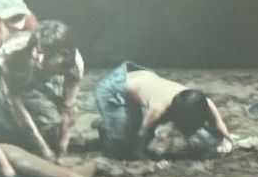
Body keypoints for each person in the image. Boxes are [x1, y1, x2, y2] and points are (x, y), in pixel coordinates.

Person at [0, 21, 83, 160]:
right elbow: (17, 106)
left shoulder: (74, 65)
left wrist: (62, 148)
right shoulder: (13, 54)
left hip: (34, 77)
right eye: (38, 51)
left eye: (46, 56)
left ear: (64, 55)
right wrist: (43, 149)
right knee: (1, 128)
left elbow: (68, 108)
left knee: (53, 125)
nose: (40, 59)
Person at [93, 63, 236, 161]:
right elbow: (141, 139)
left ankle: (120, 119)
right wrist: (147, 159)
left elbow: (217, 123)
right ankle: (106, 125)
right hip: (114, 88)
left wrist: (227, 140)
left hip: (141, 79)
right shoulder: (158, 109)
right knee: (123, 148)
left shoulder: (205, 102)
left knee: (142, 122)